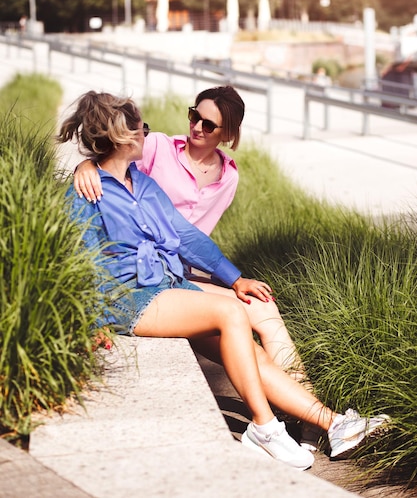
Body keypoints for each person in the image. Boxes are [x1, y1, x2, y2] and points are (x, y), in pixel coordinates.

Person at [58, 90, 390, 471]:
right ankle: (264, 428)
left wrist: (235, 278)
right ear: (127, 137)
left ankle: (333, 424)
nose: (146, 135)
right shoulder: (87, 191)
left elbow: (186, 237)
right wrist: (86, 324)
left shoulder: (145, 186)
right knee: (231, 314)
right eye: (142, 128)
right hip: (128, 298)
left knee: (251, 349)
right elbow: (78, 261)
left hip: (167, 287)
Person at [73, 86, 304, 382]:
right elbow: (114, 164)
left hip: (187, 271)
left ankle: (305, 406)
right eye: (194, 115)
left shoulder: (228, 177)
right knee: (235, 323)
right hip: (148, 275)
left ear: (228, 134)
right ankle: (282, 415)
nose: (196, 127)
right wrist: (85, 164)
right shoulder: (156, 146)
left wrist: (235, 278)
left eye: (208, 124)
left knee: (264, 306)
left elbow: (192, 238)